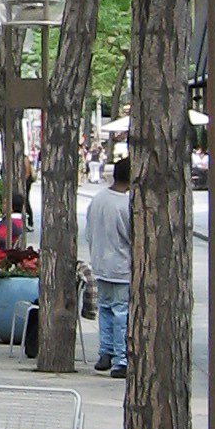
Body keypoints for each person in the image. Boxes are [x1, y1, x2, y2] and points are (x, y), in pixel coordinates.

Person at [86, 157, 132, 378]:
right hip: (121, 266)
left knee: (105, 308)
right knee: (121, 312)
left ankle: (106, 351)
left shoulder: (98, 199)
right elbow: (132, 236)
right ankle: (121, 360)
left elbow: (89, 230)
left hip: (100, 263)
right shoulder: (125, 204)